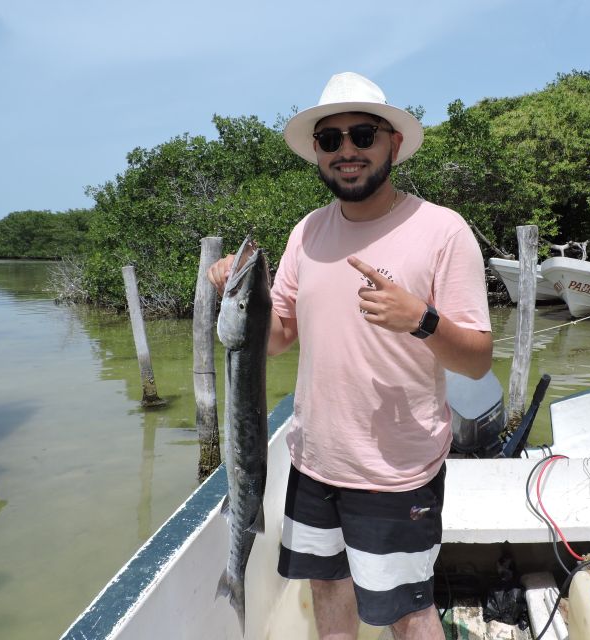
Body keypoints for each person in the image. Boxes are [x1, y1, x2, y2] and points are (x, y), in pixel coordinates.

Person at [208, 71, 492, 640]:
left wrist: (422, 320)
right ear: (317, 151)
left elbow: (478, 361)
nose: (347, 151)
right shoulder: (308, 231)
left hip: (396, 472)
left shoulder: (442, 230)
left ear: (393, 143)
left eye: (362, 135)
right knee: (327, 591)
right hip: (313, 461)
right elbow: (280, 336)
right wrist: (238, 303)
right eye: (331, 139)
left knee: (407, 612)